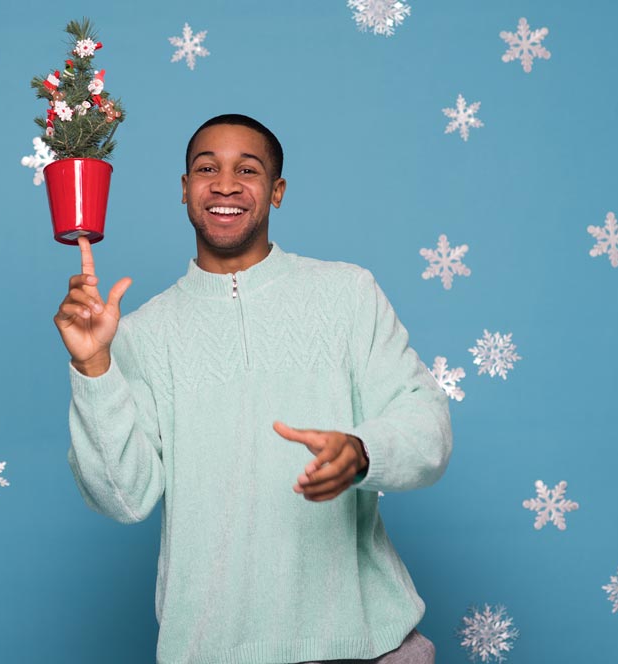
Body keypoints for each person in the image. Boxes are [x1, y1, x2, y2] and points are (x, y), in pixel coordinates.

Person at [54, 114, 452, 664]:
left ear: (277, 191)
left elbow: (426, 426)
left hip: (368, 644)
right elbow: (124, 498)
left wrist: (362, 452)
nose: (224, 184)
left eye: (248, 169)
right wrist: (95, 364)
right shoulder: (141, 333)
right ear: (185, 189)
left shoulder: (348, 293)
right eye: (206, 168)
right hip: (212, 649)